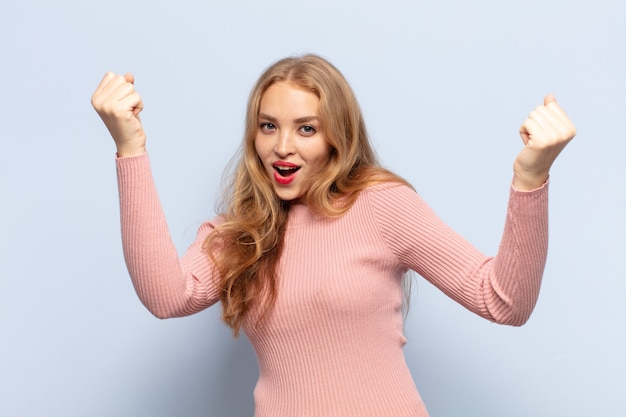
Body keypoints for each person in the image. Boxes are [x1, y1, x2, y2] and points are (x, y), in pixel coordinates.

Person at [91, 54, 576, 417]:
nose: (282, 146)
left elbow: (504, 301)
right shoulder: (236, 235)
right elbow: (165, 296)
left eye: (306, 128)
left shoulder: (380, 205)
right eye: (268, 126)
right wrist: (130, 147)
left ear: (336, 137)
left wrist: (530, 178)